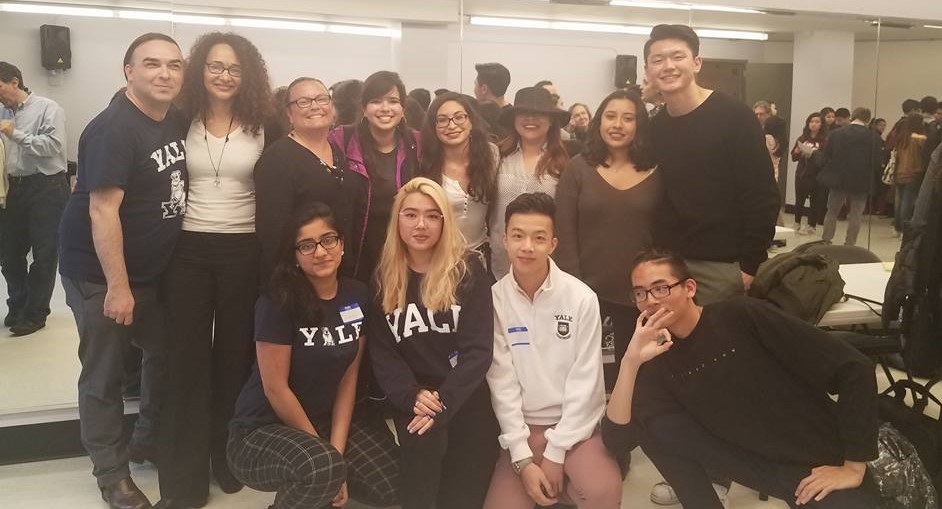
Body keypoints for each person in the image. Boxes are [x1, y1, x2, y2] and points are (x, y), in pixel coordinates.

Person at [603, 249, 880, 509]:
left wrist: (853, 466)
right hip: (753, 463)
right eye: (640, 293)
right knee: (651, 424)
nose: (650, 300)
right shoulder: (657, 355)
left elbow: (855, 368)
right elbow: (617, 440)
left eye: (660, 288)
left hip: (815, 461)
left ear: (689, 289)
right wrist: (631, 360)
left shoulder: (742, 316)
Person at [57, 32, 187, 509]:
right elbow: (102, 211)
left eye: (174, 65)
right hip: (99, 274)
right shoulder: (113, 127)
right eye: (151, 64)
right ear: (128, 72)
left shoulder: (174, 119)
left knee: (166, 353)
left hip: (151, 273)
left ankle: (146, 438)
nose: (164, 73)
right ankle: (112, 475)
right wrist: (118, 287)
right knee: (105, 372)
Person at [156, 32, 275, 508]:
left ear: (247, 76)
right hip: (186, 250)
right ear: (199, 70)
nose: (224, 76)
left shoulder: (266, 122)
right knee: (185, 361)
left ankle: (227, 458)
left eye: (234, 69)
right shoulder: (177, 118)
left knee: (233, 358)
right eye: (215, 66)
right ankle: (184, 477)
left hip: (244, 251)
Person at [227, 203, 399, 509]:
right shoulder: (276, 302)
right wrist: (331, 464)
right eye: (307, 245)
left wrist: (336, 452)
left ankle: (318, 486)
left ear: (342, 244)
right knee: (322, 469)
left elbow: (349, 379)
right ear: (294, 256)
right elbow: (275, 389)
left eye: (328, 240)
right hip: (259, 431)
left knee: (393, 482)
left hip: (322, 421)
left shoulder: (357, 294)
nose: (320, 252)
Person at [483, 192, 622, 509]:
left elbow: (586, 382)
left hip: (577, 430)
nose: (527, 247)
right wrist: (522, 458)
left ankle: (569, 484)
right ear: (504, 239)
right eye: (518, 236)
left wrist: (556, 453)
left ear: (554, 244)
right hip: (522, 428)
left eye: (539, 238)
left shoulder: (581, 298)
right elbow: (501, 383)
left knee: (602, 491)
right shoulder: (494, 300)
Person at [369, 177, 499, 509]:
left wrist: (443, 402)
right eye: (410, 214)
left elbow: (478, 352)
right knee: (422, 455)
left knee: (463, 489)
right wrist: (411, 394)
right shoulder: (384, 277)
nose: (421, 224)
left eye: (432, 215)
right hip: (414, 395)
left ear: (445, 221)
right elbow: (383, 353)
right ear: (397, 220)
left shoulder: (468, 271)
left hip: (463, 393)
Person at [643, 24, 779, 306]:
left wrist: (749, 266)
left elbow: (762, 195)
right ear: (648, 70)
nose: (668, 66)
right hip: (670, 267)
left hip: (722, 268)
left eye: (677, 56)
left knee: (720, 348)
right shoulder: (655, 128)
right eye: (658, 60)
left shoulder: (734, 117)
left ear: (696, 63)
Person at [555, 89, 660, 381]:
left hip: (642, 297)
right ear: (598, 121)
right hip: (587, 295)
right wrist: (575, 289)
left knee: (639, 377)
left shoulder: (657, 171)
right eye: (610, 116)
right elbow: (564, 232)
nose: (617, 125)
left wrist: (656, 291)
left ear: (639, 125)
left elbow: (664, 235)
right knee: (588, 375)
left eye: (628, 118)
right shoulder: (578, 168)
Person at [256, 77, 366, 283]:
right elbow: (272, 235)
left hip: (338, 276)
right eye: (303, 102)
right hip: (296, 280)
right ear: (289, 113)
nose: (315, 106)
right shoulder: (276, 160)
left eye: (322, 99)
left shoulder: (340, 152)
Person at [329, 70, 421, 283]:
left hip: (404, 248)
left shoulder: (416, 144)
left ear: (403, 108)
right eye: (376, 101)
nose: (386, 108)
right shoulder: (342, 139)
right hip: (356, 248)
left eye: (393, 101)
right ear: (363, 108)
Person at [0, 61, 69, 337]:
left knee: (44, 254)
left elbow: (54, 146)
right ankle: (17, 305)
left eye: (0, 87)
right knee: (9, 254)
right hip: (14, 188)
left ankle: (36, 313)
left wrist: (13, 133)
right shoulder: (3, 111)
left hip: (47, 187)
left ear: (15, 82)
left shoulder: (48, 108)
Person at [489, 86, 570, 280]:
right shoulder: (497, 157)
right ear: (513, 119)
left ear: (551, 120)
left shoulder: (564, 164)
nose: (530, 119)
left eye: (538, 114)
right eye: (523, 114)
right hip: (500, 263)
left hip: (545, 263)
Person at [419, 92, 498, 270]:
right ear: (434, 126)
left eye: (459, 117)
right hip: (437, 259)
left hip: (481, 256)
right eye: (442, 120)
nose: (452, 125)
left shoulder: (491, 155)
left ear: (471, 121)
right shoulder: (424, 163)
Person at [818, 107, 883, 246]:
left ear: (853, 116)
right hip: (862, 179)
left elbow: (826, 155)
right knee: (856, 213)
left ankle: (826, 239)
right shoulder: (874, 137)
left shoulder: (836, 133)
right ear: (868, 119)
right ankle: (850, 243)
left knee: (832, 211)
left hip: (838, 177)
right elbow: (877, 162)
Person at [888, 112, 927, 236]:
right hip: (913, 172)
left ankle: (897, 227)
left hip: (899, 172)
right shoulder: (920, 139)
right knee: (908, 203)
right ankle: (905, 228)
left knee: (899, 201)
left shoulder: (901, 137)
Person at [791, 112, 829, 235]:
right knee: (799, 199)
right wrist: (797, 151)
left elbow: (825, 158)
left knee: (815, 200)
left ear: (821, 124)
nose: (813, 124)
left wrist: (812, 154)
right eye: (811, 121)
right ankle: (796, 223)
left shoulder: (825, 140)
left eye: (817, 122)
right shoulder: (802, 138)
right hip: (802, 173)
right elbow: (793, 156)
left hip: (816, 174)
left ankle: (811, 225)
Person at [474, 62, 512, 139]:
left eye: (475, 84)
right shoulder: (514, 117)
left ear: (484, 89)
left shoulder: (474, 116)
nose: (474, 89)